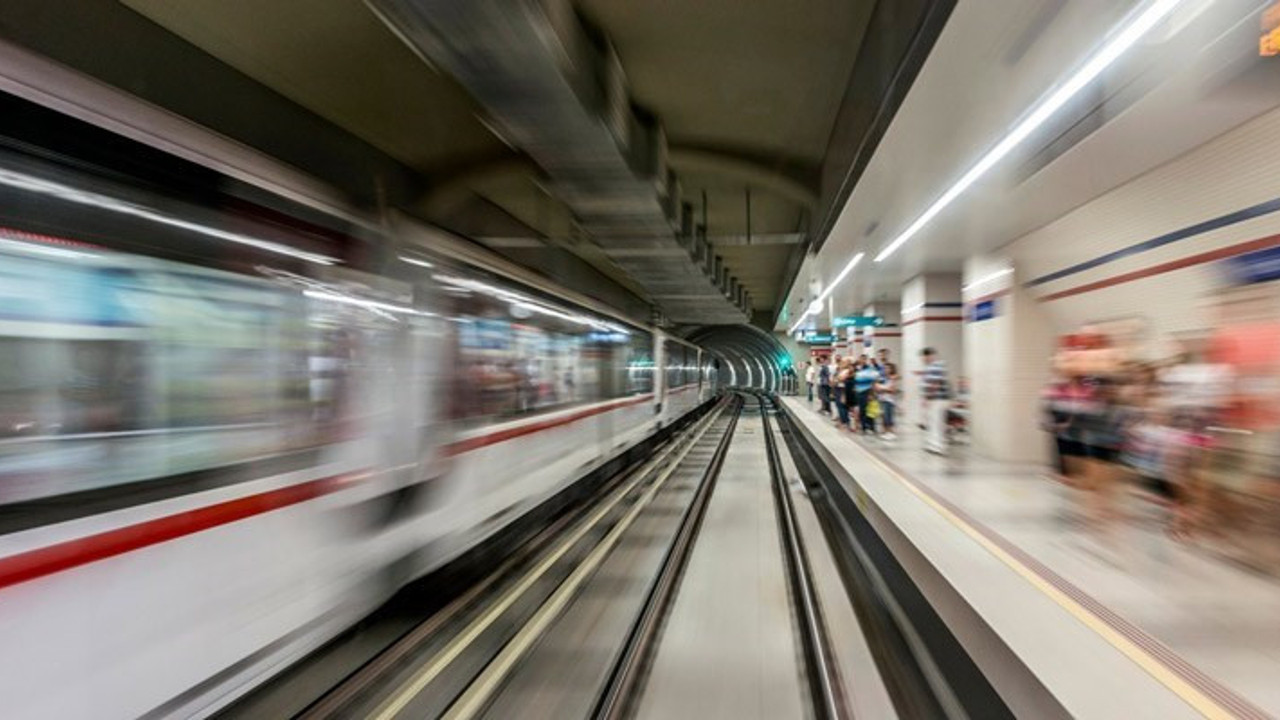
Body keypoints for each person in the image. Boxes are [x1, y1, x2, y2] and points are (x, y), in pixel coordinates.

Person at [921, 348, 951, 454]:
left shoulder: (935, 366)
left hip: (937, 399)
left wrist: (928, 397)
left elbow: (935, 383)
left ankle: (937, 445)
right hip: (936, 399)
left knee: (936, 422)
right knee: (933, 422)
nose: (923, 359)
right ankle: (933, 443)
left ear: (930, 356)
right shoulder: (933, 366)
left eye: (924, 357)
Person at [853, 359, 880, 435]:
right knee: (864, 411)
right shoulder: (858, 373)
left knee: (869, 411)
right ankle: (865, 427)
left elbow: (873, 383)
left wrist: (871, 394)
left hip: (867, 393)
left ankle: (869, 427)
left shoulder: (870, 373)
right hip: (860, 393)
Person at [876, 354, 899, 440]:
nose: (886, 370)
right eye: (885, 368)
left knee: (889, 416)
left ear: (891, 369)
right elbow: (876, 387)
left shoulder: (893, 378)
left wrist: (882, 388)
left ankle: (891, 432)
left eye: (888, 368)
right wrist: (883, 388)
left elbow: (892, 390)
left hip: (889, 400)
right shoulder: (882, 378)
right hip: (882, 399)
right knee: (884, 416)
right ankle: (886, 431)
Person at [834, 358, 853, 429]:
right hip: (838, 389)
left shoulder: (848, 371)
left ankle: (845, 421)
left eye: (843, 362)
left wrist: (837, 379)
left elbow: (841, 379)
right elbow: (835, 379)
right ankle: (842, 420)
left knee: (842, 405)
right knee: (839, 405)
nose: (842, 364)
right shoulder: (840, 371)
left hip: (843, 389)